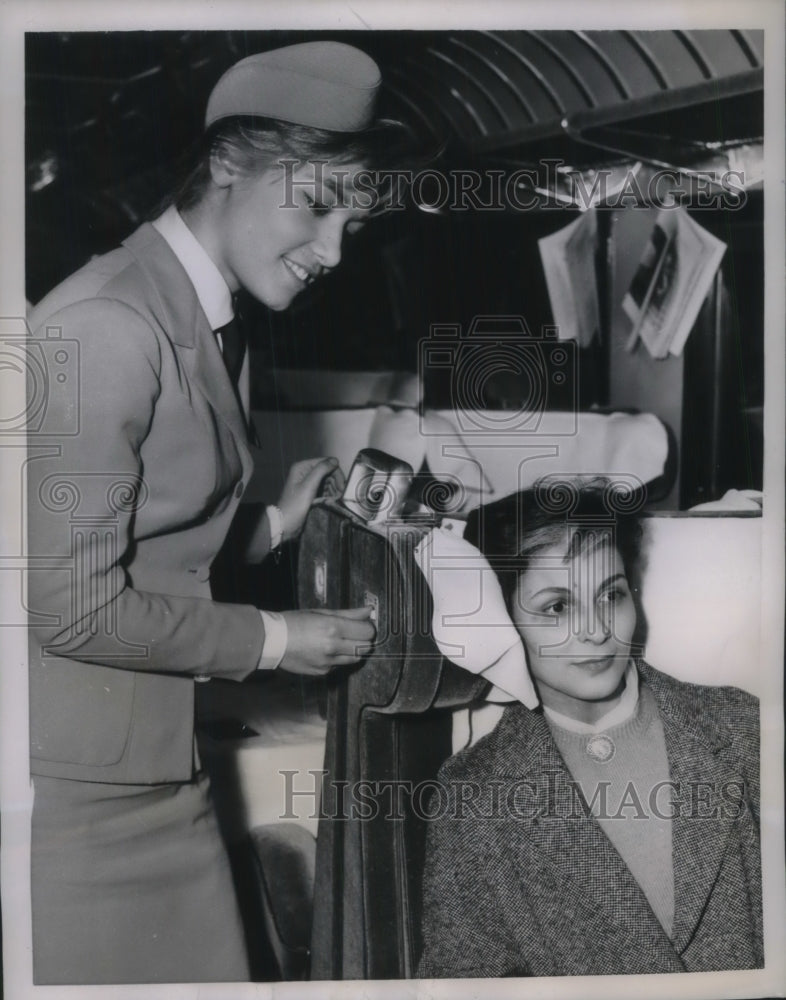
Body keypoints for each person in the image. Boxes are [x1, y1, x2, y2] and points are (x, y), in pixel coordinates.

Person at [26, 41, 403, 985]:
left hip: (157, 767)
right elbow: (73, 609)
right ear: (227, 164)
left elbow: (152, 544)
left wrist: (272, 524)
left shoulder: (204, 315)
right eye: (317, 206)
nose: (331, 253)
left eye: (351, 227)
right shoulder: (105, 324)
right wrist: (278, 639)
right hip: (90, 806)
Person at [417, 480, 762, 978]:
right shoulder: (472, 796)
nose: (597, 629)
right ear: (501, 621)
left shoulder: (740, 727)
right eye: (558, 606)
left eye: (611, 595)